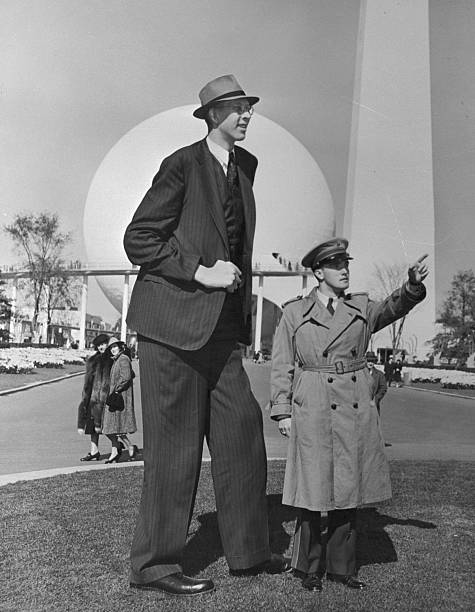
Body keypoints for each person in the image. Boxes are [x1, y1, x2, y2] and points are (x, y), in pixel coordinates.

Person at [123, 75, 288, 597]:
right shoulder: (181, 164)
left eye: (249, 107)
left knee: (243, 432)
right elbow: (139, 238)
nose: (246, 114)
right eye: (237, 108)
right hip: (170, 327)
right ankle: (154, 566)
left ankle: (249, 552)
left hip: (221, 332)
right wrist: (200, 271)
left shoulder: (245, 168)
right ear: (213, 115)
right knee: (175, 452)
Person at [270, 238, 428, 592]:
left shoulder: (361, 307)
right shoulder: (294, 312)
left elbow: (394, 307)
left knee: (347, 487)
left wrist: (412, 286)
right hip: (312, 402)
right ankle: (309, 568)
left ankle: (342, 568)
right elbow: (281, 364)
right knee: (312, 488)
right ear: (318, 272)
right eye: (336, 265)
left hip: (352, 403)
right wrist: (282, 411)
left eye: (346, 264)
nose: (344, 270)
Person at [101, 337, 138, 463]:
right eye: (111, 348)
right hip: (116, 397)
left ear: (121, 347)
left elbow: (126, 377)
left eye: (115, 347)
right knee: (110, 428)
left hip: (120, 398)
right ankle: (122, 448)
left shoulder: (123, 359)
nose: (113, 349)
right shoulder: (117, 360)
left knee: (116, 427)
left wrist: (116, 389)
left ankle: (123, 448)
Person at [77, 333, 112, 461]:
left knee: (108, 426)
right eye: (99, 345)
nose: (102, 347)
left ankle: (120, 446)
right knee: (92, 425)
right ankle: (94, 451)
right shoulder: (93, 360)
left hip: (105, 396)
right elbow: (88, 380)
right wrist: (86, 396)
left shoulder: (111, 359)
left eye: (103, 344)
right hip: (92, 396)